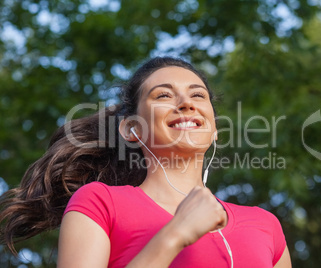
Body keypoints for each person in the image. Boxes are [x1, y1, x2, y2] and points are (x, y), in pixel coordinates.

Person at [0, 57, 292, 267]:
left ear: (214, 129)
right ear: (132, 130)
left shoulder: (265, 224)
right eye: (163, 95)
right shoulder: (99, 202)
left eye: (198, 95)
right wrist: (174, 235)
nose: (186, 103)